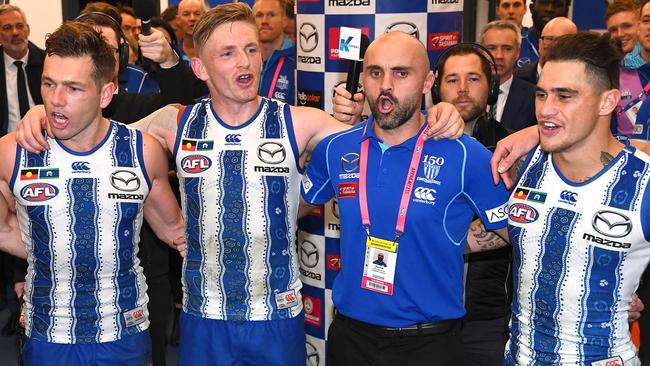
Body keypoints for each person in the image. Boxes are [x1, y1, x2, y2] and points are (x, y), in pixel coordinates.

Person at [15, 3, 465, 365]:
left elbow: (385, 131)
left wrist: (439, 113)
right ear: (201, 68)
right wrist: (41, 114)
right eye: (227, 54)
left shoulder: (300, 122)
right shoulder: (171, 124)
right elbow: (94, 123)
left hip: (277, 314)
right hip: (202, 317)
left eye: (251, 49)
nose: (245, 61)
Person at [301, 30, 511, 365]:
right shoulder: (336, 148)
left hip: (430, 343)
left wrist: (457, 240)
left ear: (428, 82)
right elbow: (286, 211)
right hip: (351, 338)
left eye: (401, 73)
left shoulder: (464, 154)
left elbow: (519, 234)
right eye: (375, 73)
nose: (386, 85)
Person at [0, 21, 185, 365]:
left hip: (124, 334)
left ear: (105, 93)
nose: (56, 100)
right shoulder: (12, 152)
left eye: (73, 88)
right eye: (49, 84)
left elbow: (176, 232)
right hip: (47, 335)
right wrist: (48, 247)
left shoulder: (142, 152)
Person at [491, 31, 650, 365]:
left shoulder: (643, 181)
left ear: (607, 102)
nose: (546, 110)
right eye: (541, 94)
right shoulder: (522, 161)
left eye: (565, 96)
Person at [0, 3, 43, 339]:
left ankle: (29, 305)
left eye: (19, 26)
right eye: (7, 28)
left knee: (35, 226)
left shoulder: (47, 62)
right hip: (4, 157)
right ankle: (14, 307)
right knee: (7, 226)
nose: (15, 33)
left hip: (45, 158)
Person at [482, 20, 536, 131]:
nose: (499, 56)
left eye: (507, 49)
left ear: (518, 53)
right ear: (481, 52)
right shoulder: (467, 91)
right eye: (491, 48)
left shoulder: (534, 97)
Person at [253, 0, 296, 104]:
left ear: (284, 21)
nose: (264, 21)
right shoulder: (244, 60)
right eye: (259, 15)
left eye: (271, 15)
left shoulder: (298, 60)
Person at [515, 16, 577, 84]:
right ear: (540, 44)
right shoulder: (516, 78)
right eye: (549, 39)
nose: (554, 45)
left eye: (562, 41)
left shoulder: (580, 80)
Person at [518, 0, 571, 68]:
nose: (549, 9)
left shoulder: (575, 50)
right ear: (532, 8)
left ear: (566, 11)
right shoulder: (516, 44)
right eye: (543, 2)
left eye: (557, 4)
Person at [607, 0, 644, 70]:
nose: (620, 34)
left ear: (641, 26)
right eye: (613, 30)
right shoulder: (607, 68)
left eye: (626, 26)